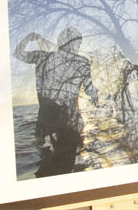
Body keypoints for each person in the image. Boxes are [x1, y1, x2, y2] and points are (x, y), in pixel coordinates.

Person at [14, 26, 99, 177]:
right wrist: (97, 96)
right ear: (66, 43)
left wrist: (28, 39)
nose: (77, 47)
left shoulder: (47, 58)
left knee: (48, 164)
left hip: (53, 123)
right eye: (76, 43)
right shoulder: (79, 62)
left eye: (78, 44)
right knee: (64, 165)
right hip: (65, 123)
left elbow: (19, 53)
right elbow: (90, 90)